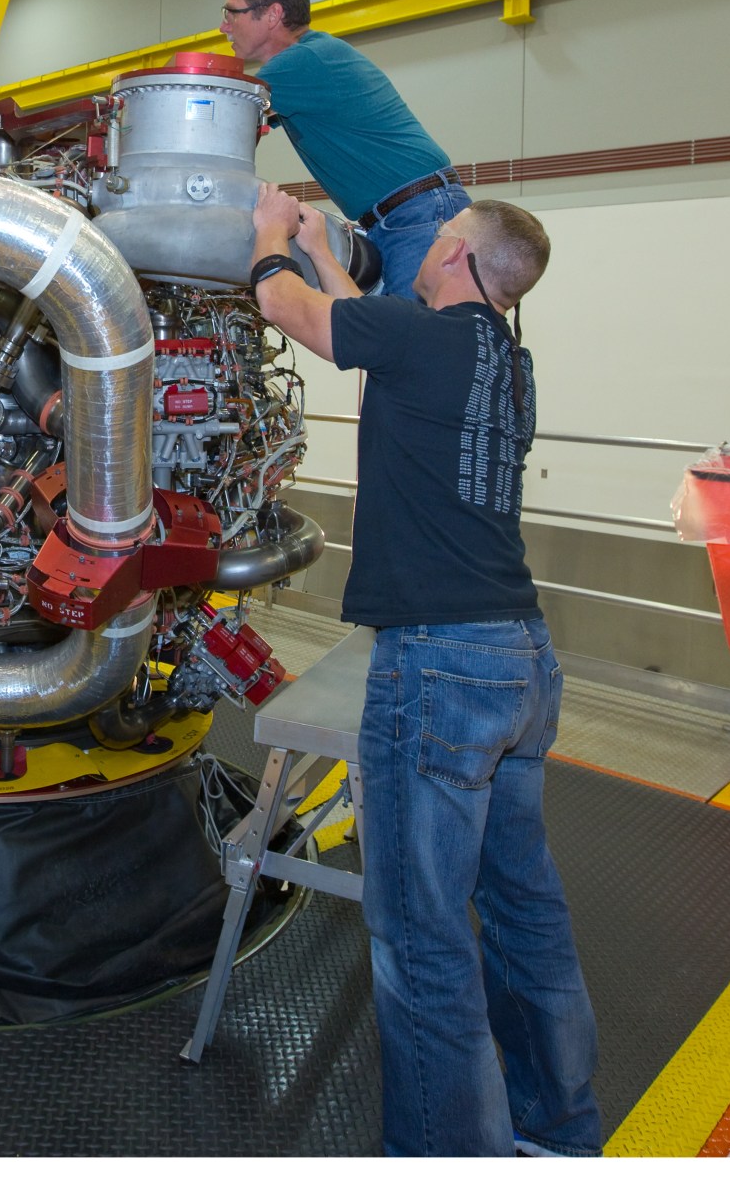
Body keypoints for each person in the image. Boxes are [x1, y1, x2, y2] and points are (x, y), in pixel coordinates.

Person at [248, 185, 601, 1158]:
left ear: (455, 259)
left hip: (439, 667)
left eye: (437, 241)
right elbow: (375, 350)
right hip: (519, 663)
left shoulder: (418, 339)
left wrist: (271, 239)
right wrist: (326, 251)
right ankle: (558, 1133)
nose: (424, 250)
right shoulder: (503, 362)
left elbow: (287, 312)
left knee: (420, 937)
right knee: (523, 910)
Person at [221, 0, 468, 299]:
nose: (224, 26)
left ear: (273, 14)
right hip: (406, 212)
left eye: (232, 12)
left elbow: (220, 114)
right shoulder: (310, 59)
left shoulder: (300, 63)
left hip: (417, 212)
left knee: (408, 344)